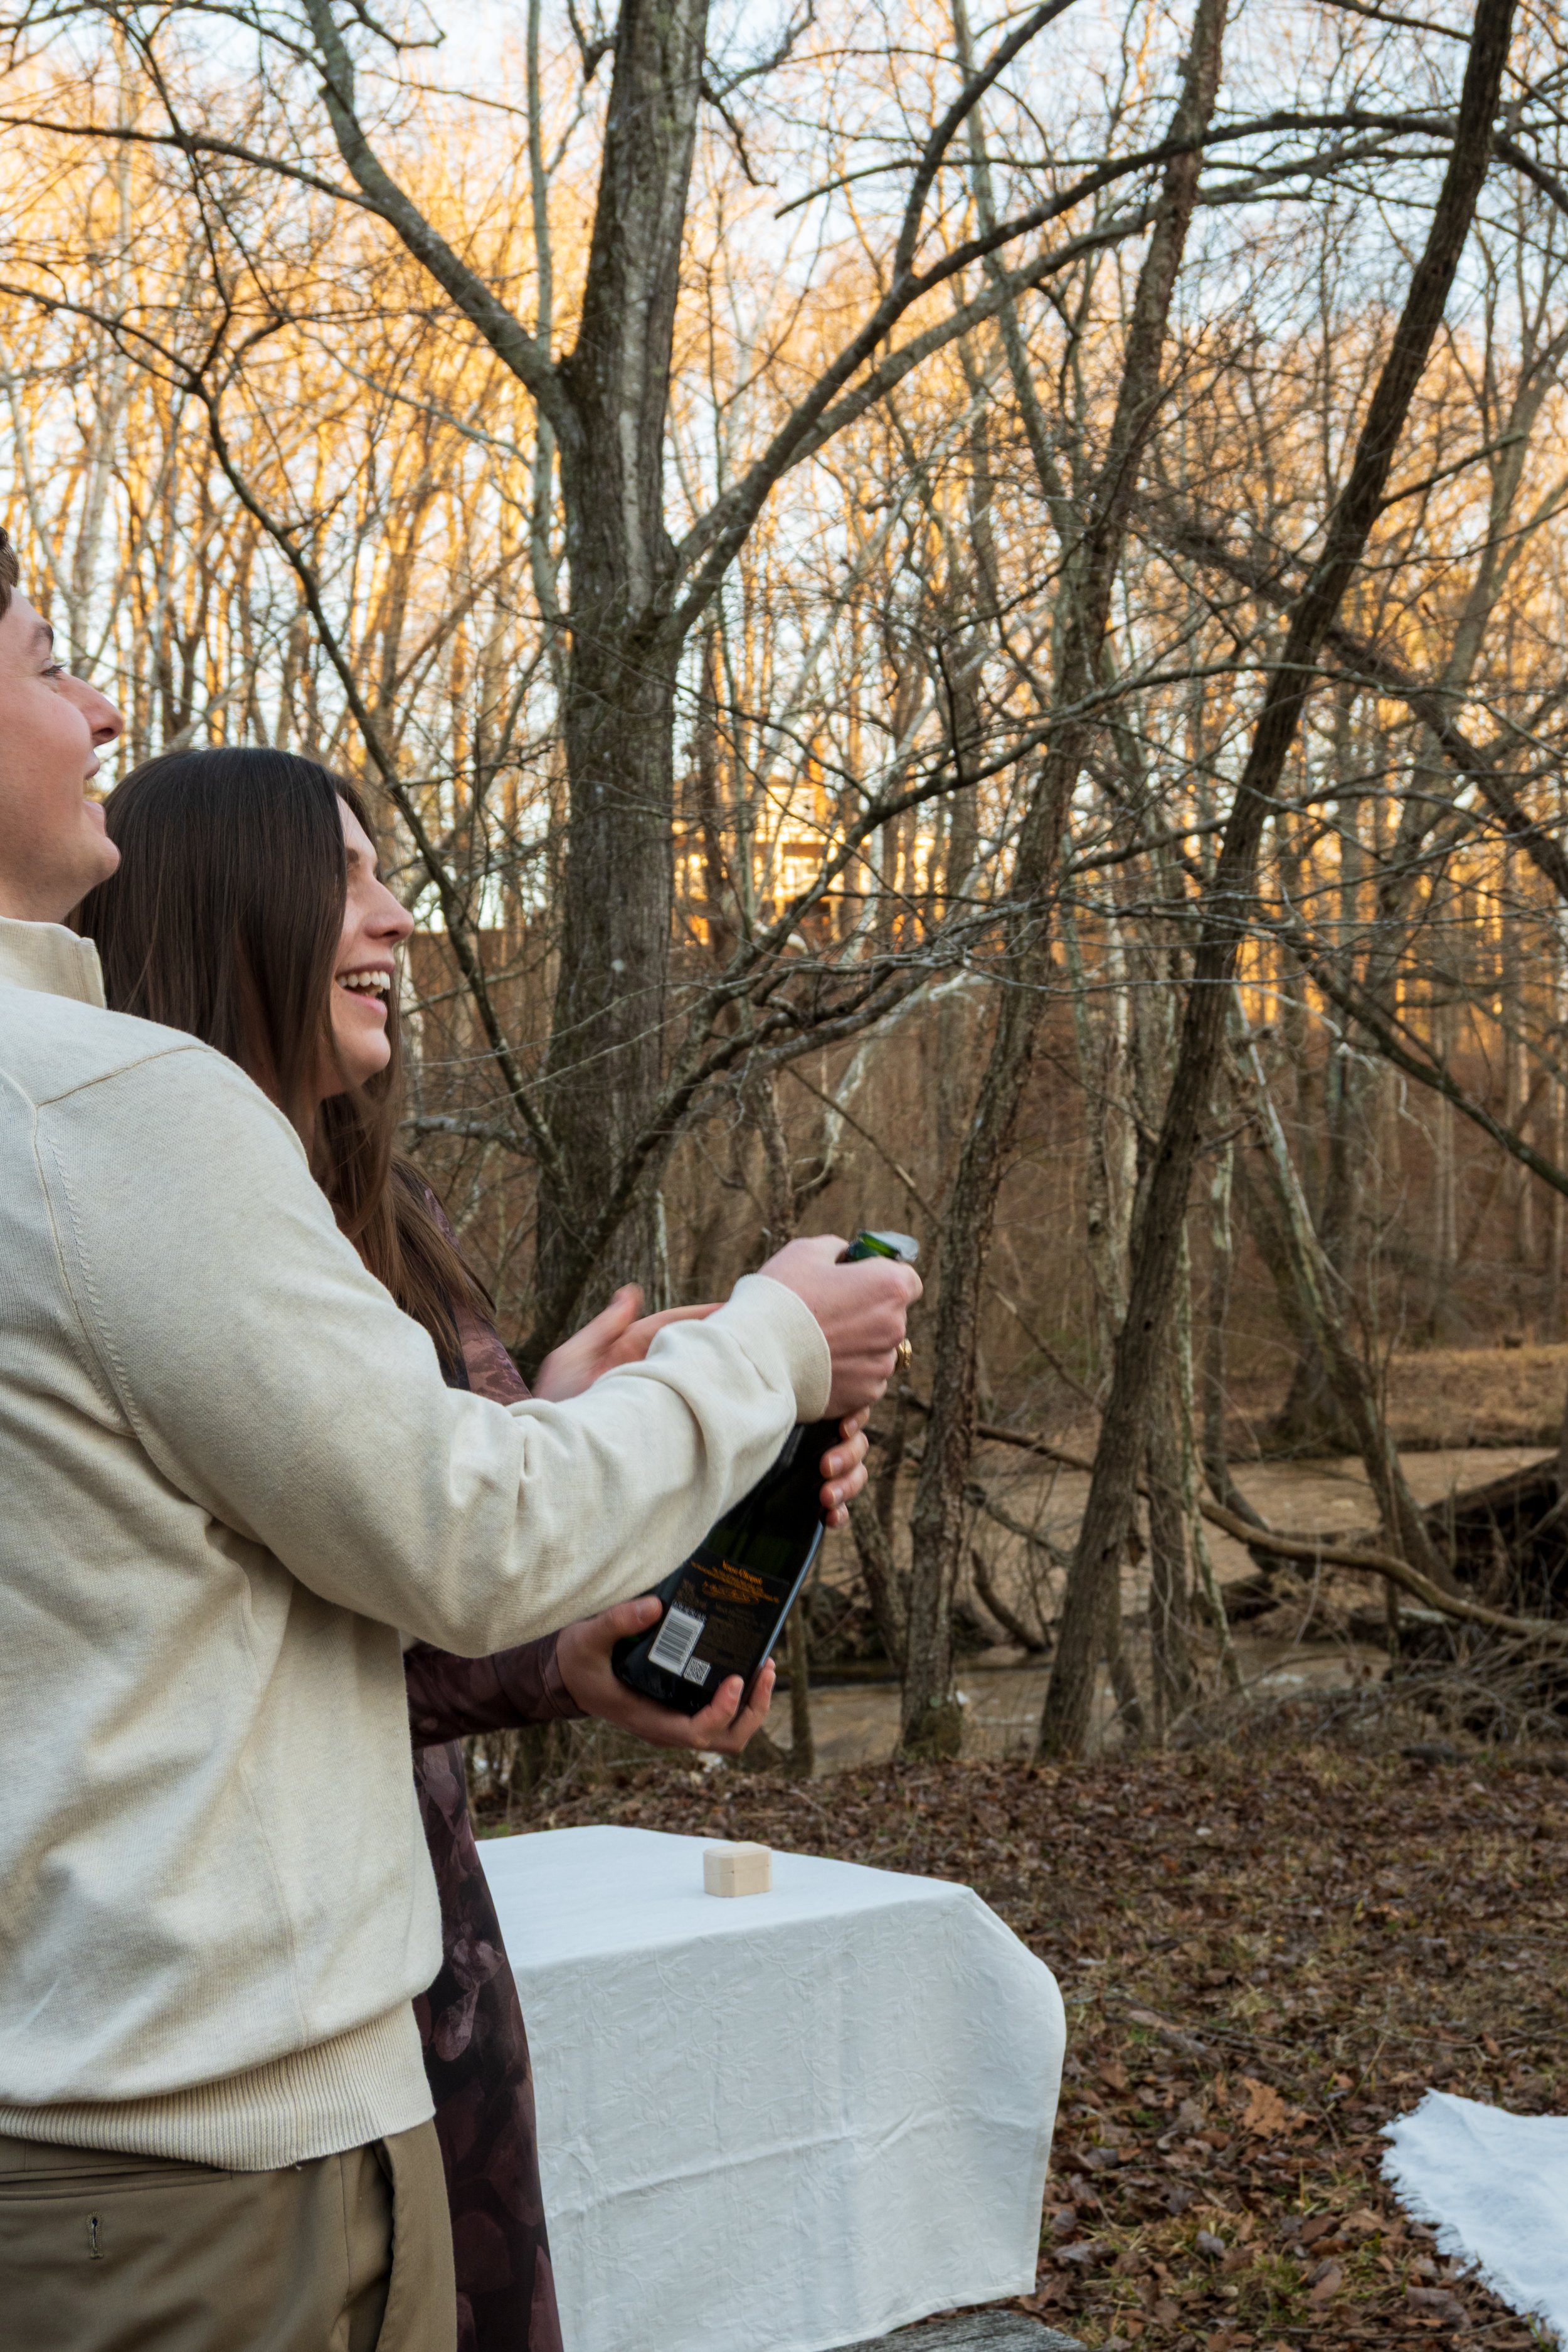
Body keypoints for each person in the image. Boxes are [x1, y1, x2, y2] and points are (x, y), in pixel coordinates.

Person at [0, 529, 921, 2351]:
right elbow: (458, 1539)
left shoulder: (141, 1150)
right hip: (198, 2156)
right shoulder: (118, 1117)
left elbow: (181, 1597)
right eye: (41, 665)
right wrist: (765, 1349)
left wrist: (568, 1499)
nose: (97, 702)